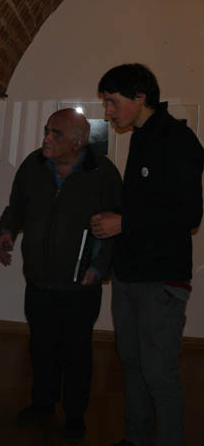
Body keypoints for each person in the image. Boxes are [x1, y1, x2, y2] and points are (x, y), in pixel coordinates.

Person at [91, 64, 204, 446]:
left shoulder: (177, 139)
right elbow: (151, 204)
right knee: (133, 363)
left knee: (158, 373)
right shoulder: (142, 135)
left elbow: (189, 214)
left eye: (112, 101)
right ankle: (136, 439)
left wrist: (124, 222)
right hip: (131, 273)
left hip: (161, 278)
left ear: (140, 97)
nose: (107, 111)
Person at [0, 108, 122, 443]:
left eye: (56, 134)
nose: (46, 139)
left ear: (78, 142)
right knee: (41, 347)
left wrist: (99, 268)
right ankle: (42, 404)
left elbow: (117, 225)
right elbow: (16, 206)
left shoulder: (103, 173)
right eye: (46, 131)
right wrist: (6, 230)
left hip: (81, 284)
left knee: (76, 351)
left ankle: (75, 415)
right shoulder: (33, 165)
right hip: (39, 280)